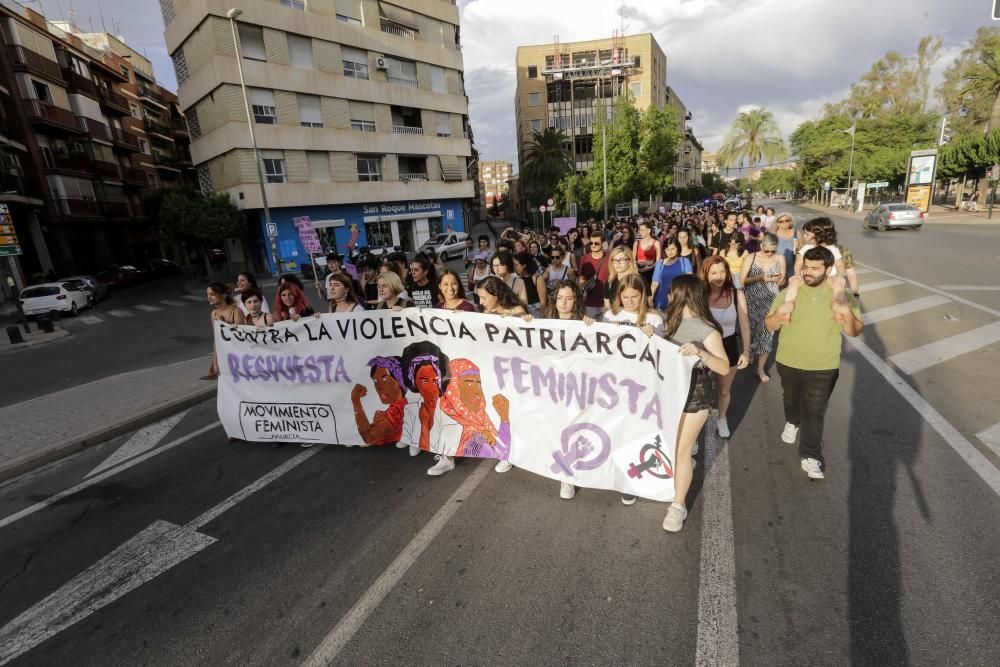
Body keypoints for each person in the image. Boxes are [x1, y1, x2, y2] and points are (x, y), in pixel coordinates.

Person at [765, 246, 863, 479]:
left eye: (815, 268)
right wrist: (781, 313)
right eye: (806, 266)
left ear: (828, 269)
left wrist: (843, 309)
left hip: (824, 366)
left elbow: (855, 331)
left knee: (815, 411)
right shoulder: (791, 290)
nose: (808, 272)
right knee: (791, 400)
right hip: (788, 361)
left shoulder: (843, 294)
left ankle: (810, 455)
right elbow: (769, 325)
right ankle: (792, 421)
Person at [661, 275, 732, 532]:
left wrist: (701, 352)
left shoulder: (706, 329)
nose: (668, 297)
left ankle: (677, 506)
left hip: (695, 394)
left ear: (681, 295)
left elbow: (723, 365)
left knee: (681, 450)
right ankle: (684, 468)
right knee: (674, 448)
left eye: (671, 292)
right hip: (669, 393)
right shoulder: (669, 321)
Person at [541, 279, 594, 499]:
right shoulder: (543, 324)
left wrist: (592, 327)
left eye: (569, 298)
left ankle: (567, 475)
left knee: (573, 427)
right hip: (551, 385)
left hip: (577, 387)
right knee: (556, 426)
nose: (564, 303)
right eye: (560, 298)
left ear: (576, 300)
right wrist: (524, 321)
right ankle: (564, 470)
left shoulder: (585, 323)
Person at [700, 256, 750, 438]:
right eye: (714, 273)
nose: (719, 276)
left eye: (723, 271)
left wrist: (746, 350)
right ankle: (696, 428)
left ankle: (721, 418)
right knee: (701, 392)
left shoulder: (735, 293)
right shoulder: (699, 294)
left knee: (723, 390)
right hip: (703, 347)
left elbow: (744, 322)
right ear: (706, 274)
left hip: (729, 345)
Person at [739, 233, 786, 383]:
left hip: (771, 304)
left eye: (773, 250)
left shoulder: (780, 258)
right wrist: (761, 277)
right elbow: (742, 280)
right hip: (751, 301)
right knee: (751, 332)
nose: (770, 253)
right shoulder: (751, 258)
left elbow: (781, 281)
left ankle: (760, 369)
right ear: (761, 246)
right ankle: (750, 352)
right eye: (767, 251)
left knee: (767, 335)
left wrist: (779, 278)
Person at [351, 356, 408, 446]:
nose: (379, 386)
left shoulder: (396, 411)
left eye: (385, 378)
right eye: (375, 380)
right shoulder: (403, 407)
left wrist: (355, 399)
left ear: (399, 381)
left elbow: (369, 437)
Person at [603, 273, 664, 337]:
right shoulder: (609, 315)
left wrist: (652, 335)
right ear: (619, 296)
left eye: (634, 296)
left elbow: (661, 345)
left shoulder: (654, 319)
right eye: (625, 297)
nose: (630, 301)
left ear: (642, 295)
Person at [205, 281, 244, 378]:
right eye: (208, 294)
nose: (209, 297)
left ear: (224, 295)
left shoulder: (236, 311)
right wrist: (215, 361)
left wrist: (224, 324)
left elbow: (242, 336)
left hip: (238, 355)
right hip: (225, 355)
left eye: (212, 294)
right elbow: (217, 339)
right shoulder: (214, 313)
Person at [650, 238, 694, 311]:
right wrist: (651, 299)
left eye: (673, 249)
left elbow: (690, 283)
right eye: (667, 249)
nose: (670, 252)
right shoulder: (659, 263)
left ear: (678, 248)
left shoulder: (684, 261)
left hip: (680, 301)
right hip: (661, 301)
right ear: (664, 250)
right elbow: (654, 284)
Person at [578, 231, 609, 319]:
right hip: (589, 303)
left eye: (596, 243)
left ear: (603, 243)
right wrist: (580, 299)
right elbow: (581, 280)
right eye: (591, 243)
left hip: (606, 303)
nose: (593, 245)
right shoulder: (584, 259)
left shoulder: (610, 258)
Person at [603, 245, 639, 312]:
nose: (618, 263)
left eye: (622, 259)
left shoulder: (639, 281)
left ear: (630, 261)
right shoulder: (609, 282)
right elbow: (607, 306)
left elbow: (647, 305)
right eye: (615, 260)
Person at [513, 251, 547, 316]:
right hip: (523, 314)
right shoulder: (518, 279)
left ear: (524, 265)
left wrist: (542, 319)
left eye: (516, 265)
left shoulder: (538, 278)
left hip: (536, 313)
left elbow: (543, 302)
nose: (515, 267)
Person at [633, 220, 661, 288]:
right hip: (639, 271)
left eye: (642, 230)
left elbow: (658, 260)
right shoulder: (636, 243)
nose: (640, 232)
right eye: (640, 230)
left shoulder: (656, 243)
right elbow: (633, 259)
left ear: (648, 231)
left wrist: (650, 267)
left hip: (652, 271)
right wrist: (637, 265)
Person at [774, 213, 798, 279]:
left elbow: (802, 252)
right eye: (781, 221)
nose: (784, 223)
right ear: (777, 223)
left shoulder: (796, 233)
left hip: (792, 269)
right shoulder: (774, 234)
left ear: (790, 222)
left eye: (787, 220)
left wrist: (797, 247)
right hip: (777, 269)